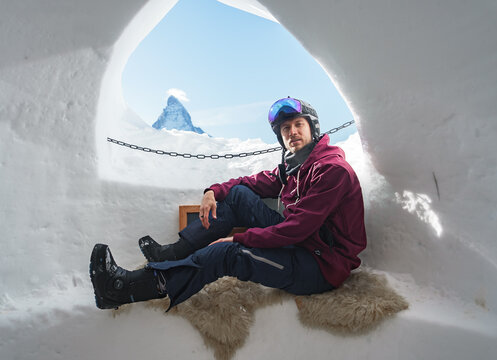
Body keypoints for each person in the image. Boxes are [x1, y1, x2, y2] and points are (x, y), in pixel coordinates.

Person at [89, 97, 367, 310]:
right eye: (285, 129)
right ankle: (171, 255)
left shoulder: (331, 170)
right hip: (304, 243)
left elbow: (297, 229)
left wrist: (238, 240)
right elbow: (251, 183)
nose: (292, 132)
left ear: (312, 128)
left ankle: (122, 290)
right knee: (238, 196)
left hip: (320, 265)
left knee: (229, 255)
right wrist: (213, 191)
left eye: (298, 125)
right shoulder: (294, 168)